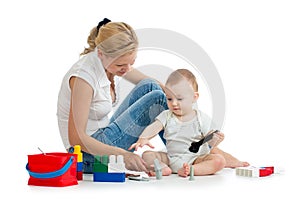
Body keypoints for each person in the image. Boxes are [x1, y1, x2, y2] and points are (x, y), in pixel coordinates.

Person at [57, 18, 168, 173]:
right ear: (101, 54)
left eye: (131, 62)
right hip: (88, 155)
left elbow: (145, 81)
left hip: (104, 134)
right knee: (157, 98)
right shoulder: (83, 78)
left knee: (152, 87)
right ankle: (184, 155)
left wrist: (174, 94)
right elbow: (76, 139)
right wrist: (123, 155)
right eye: (120, 65)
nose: (127, 69)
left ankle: (186, 146)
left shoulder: (107, 60)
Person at [129, 69, 249, 177]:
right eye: (169, 98)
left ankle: (192, 169)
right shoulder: (167, 115)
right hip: (171, 159)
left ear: (194, 97)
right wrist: (143, 138)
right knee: (147, 155)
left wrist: (216, 138)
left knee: (219, 161)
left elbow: (210, 140)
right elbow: (154, 127)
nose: (174, 103)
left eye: (179, 99)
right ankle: (163, 168)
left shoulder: (201, 118)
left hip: (196, 159)